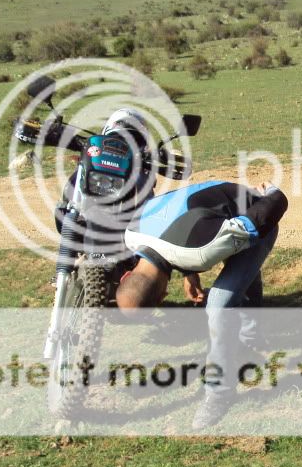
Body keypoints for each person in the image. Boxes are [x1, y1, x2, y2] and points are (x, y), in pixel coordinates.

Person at [116, 180, 289, 427]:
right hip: (218, 210)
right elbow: (178, 229)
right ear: (126, 275)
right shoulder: (132, 232)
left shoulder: (200, 251)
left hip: (259, 214)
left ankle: (219, 394)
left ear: (164, 296)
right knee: (238, 277)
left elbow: (259, 219)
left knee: (219, 304)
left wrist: (273, 194)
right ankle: (251, 342)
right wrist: (189, 269)